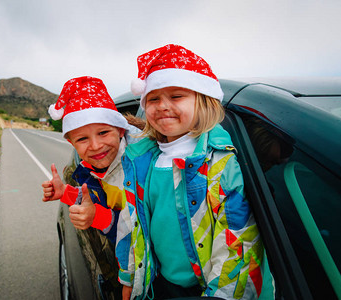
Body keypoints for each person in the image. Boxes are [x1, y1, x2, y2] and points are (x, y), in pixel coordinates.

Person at [115, 44, 273, 300]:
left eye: (176, 96)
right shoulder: (141, 161)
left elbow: (238, 242)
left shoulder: (218, 161)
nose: (162, 106)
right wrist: (129, 278)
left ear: (203, 102)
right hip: (158, 283)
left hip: (206, 288)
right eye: (153, 99)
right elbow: (131, 224)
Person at [42, 76, 141, 243]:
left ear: (121, 131)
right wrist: (65, 192)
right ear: (71, 143)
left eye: (103, 133)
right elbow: (96, 197)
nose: (95, 146)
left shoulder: (144, 166)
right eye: (82, 139)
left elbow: (140, 234)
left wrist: (98, 216)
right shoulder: (92, 170)